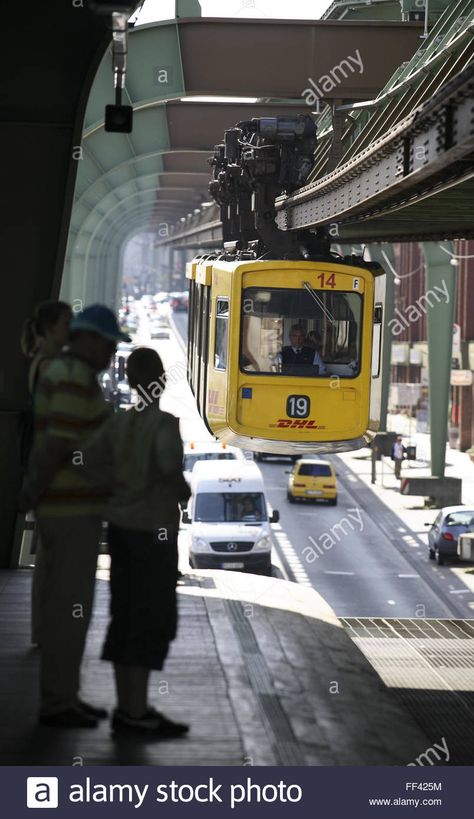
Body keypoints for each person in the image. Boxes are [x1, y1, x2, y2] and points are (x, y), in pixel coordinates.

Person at [18, 304, 130, 728]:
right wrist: (31, 491)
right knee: (69, 610)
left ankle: (65, 695)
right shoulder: (71, 378)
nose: (109, 354)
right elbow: (55, 446)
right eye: (107, 344)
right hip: (70, 509)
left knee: (71, 607)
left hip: (75, 508)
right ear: (87, 339)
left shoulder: (71, 374)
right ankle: (57, 702)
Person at [82, 347, 191, 738]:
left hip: (122, 534)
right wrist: (185, 489)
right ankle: (137, 711)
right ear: (160, 380)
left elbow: (92, 466)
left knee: (125, 615)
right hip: (154, 537)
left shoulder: (117, 425)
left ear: (129, 382)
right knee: (150, 619)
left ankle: (128, 708)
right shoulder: (164, 426)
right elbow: (171, 479)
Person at [20, 300, 73, 647]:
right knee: (56, 560)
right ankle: (46, 630)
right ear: (53, 329)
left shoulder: (41, 363)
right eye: (67, 324)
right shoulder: (51, 367)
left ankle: (45, 629)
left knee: (51, 559)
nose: (70, 331)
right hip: (55, 474)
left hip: (48, 471)